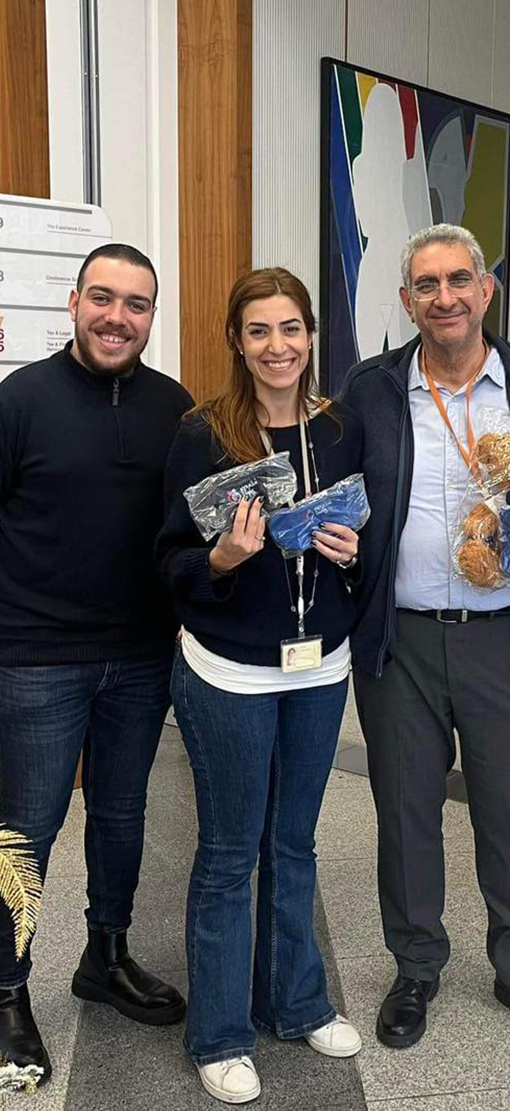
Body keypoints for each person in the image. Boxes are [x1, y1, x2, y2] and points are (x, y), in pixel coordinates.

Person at [341, 224, 510, 1056]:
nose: (445, 297)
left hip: (507, 643)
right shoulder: (371, 389)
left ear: (485, 290)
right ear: (406, 300)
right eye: (427, 285)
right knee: (405, 814)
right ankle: (416, 966)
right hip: (401, 644)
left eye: (460, 279)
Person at [156, 268, 363, 1105]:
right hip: (230, 672)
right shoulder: (203, 434)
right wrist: (221, 558)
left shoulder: (339, 429)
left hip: (320, 666)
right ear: (237, 344)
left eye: (291, 328)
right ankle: (219, 1032)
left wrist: (351, 555)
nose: (278, 346)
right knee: (229, 853)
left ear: (311, 335)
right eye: (259, 331)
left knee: (294, 844)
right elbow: (168, 561)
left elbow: (367, 540)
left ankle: (296, 1001)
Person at [0, 243, 192, 1085]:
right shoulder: (20, 401)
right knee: (24, 832)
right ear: (74, 303)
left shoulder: (175, 408)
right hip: (35, 658)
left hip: (141, 657)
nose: (118, 317)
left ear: (152, 315)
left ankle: (104, 957)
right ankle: (6, 988)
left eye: (136, 304)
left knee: (120, 817)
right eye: (103, 299)